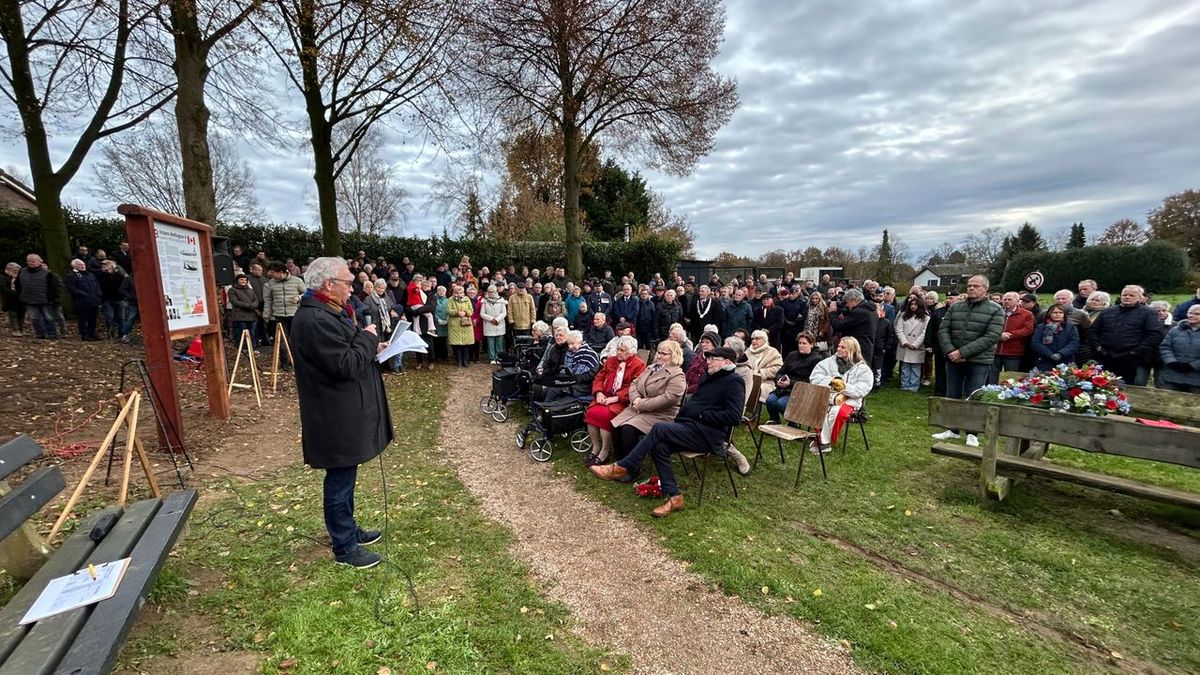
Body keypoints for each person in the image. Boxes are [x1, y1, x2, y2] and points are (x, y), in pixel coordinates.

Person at [290, 257, 391, 569]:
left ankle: (348, 530)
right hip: (332, 414)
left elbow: (346, 352)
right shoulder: (315, 320)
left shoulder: (328, 311)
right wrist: (369, 336)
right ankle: (344, 547)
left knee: (346, 474)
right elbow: (344, 364)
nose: (353, 288)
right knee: (340, 479)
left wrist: (370, 345)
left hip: (342, 409)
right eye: (348, 282)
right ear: (327, 284)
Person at [590, 346, 745, 517]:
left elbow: (734, 417)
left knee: (659, 429)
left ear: (727, 362)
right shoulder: (707, 377)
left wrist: (700, 414)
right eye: (707, 358)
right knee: (659, 446)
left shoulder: (734, 381)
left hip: (707, 435)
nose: (707, 362)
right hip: (689, 427)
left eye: (713, 359)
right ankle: (675, 497)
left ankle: (622, 466)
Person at [933, 275, 1004, 448]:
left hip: (978, 360)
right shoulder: (956, 307)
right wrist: (951, 351)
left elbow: (991, 336)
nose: (971, 288)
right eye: (969, 285)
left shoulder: (996, 310)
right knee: (953, 394)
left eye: (976, 286)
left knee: (974, 396)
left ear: (985, 289)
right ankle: (953, 428)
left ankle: (972, 433)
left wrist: (963, 352)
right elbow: (943, 329)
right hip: (953, 358)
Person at [582, 335, 646, 465]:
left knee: (604, 416)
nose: (618, 353)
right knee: (591, 413)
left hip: (621, 400)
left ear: (632, 352)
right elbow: (599, 378)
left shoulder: (639, 365)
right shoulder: (611, 360)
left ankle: (605, 451)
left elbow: (635, 387)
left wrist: (616, 398)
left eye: (622, 350)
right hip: (604, 396)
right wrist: (599, 392)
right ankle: (596, 447)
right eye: (618, 349)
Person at [1088, 285, 1164, 385]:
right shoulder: (1107, 312)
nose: (1127, 297)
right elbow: (1093, 331)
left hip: (1131, 359)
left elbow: (1154, 335)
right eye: (1124, 295)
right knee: (1103, 386)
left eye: (1131, 295)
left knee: (1128, 388)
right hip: (1106, 356)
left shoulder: (1148, 313)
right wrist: (1098, 347)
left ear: (1139, 297)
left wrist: (1136, 351)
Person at [809, 337, 874, 452]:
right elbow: (814, 377)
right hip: (828, 397)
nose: (838, 349)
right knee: (817, 407)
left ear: (852, 350)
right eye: (838, 346)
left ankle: (823, 441)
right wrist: (831, 381)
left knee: (837, 412)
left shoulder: (863, 369)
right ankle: (824, 442)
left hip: (850, 400)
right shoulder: (828, 362)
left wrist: (844, 387)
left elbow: (862, 390)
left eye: (843, 347)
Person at [765, 332, 823, 422]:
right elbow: (780, 371)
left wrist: (790, 383)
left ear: (811, 344)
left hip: (800, 391)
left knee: (781, 403)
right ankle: (774, 420)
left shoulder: (816, 359)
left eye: (804, 343)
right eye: (799, 343)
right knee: (770, 400)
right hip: (782, 388)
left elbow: (810, 381)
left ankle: (793, 423)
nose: (801, 346)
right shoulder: (792, 355)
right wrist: (779, 379)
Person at [543, 331, 600, 402]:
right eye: (568, 344)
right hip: (571, 381)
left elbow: (590, 375)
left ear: (580, 342)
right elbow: (565, 369)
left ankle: (545, 408)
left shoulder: (590, 355)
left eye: (572, 344)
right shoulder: (569, 353)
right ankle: (546, 408)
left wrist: (574, 378)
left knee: (554, 389)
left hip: (583, 386)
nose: (570, 347)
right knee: (550, 386)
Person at [990, 291, 1035, 383]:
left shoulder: (1026, 314)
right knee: (992, 375)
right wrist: (999, 335)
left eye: (1009, 299)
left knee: (1010, 378)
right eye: (1004, 299)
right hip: (995, 350)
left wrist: (1010, 335)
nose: (1006, 301)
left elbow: (1028, 329)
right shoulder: (996, 312)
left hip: (1013, 351)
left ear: (1017, 301)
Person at [16, 253, 61, 339]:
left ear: (40, 261)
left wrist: (53, 299)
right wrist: (21, 295)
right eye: (28, 261)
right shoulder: (22, 272)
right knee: (35, 318)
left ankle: (52, 334)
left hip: (46, 300)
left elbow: (55, 287)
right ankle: (40, 334)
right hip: (29, 299)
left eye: (33, 261)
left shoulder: (48, 274)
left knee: (49, 318)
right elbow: (18, 285)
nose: (30, 263)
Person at [829, 288, 877, 365]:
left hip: (857, 349)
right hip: (866, 347)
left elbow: (839, 326)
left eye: (847, 302)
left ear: (853, 300)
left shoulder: (860, 312)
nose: (847, 305)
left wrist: (832, 312)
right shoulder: (870, 310)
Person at [1158, 305, 1200, 393]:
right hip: (1172, 375)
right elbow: (1165, 347)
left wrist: (1193, 365)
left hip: (1196, 379)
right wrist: (1172, 362)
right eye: (1190, 313)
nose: (1191, 316)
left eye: (1196, 314)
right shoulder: (1175, 330)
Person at [895, 295, 930, 392]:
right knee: (905, 367)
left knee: (915, 367)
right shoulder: (903, 315)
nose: (913, 306)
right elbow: (899, 329)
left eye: (915, 304)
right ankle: (904, 385)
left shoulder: (926, 318)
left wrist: (915, 344)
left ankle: (913, 386)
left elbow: (925, 332)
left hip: (917, 346)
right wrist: (904, 342)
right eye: (911, 304)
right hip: (905, 345)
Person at [1030, 304, 1079, 371]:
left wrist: (1061, 353)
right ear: (1049, 314)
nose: (1058, 314)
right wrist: (1050, 354)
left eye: (1060, 313)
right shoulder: (1041, 327)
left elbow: (1074, 343)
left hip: (1065, 361)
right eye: (1055, 312)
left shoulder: (1071, 327)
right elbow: (1036, 343)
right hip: (1045, 360)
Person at [64, 259, 102, 341]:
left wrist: (98, 294)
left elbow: (96, 285)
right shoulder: (72, 276)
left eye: (83, 264)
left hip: (93, 300)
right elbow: (71, 288)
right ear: (74, 266)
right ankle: (84, 334)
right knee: (83, 319)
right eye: (80, 265)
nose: (83, 266)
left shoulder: (90, 275)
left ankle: (92, 333)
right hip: (81, 301)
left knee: (93, 318)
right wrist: (83, 294)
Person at [745, 329, 783, 403]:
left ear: (764, 340)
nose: (753, 341)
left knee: (756, 388)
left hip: (765, 382)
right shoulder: (747, 352)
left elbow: (778, 368)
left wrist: (761, 373)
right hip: (747, 379)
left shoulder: (772, 352)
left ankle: (753, 413)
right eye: (753, 339)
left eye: (757, 339)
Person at [447, 284, 475, 367]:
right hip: (455, 324)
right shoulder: (450, 299)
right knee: (457, 344)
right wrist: (457, 312)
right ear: (454, 292)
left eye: (461, 292)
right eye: (457, 292)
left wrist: (466, 313)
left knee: (466, 344)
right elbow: (448, 310)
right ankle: (458, 361)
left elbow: (471, 310)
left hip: (465, 323)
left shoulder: (467, 299)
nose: (459, 294)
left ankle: (465, 361)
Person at [480, 284, 508, 364]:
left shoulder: (501, 300)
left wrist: (497, 319)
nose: (490, 294)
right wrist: (491, 319)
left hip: (499, 324)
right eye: (489, 292)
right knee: (491, 343)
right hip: (489, 324)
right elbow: (482, 313)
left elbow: (504, 312)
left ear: (495, 292)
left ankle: (498, 357)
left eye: (492, 292)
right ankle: (492, 358)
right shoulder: (484, 301)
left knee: (499, 343)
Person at [228, 274, 260, 342]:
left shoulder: (250, 290)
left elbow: (256, 300)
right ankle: (242, 350)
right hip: (240, 316)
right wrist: (248, 306)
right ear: (237, 281)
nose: (243, 281)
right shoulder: (232, 290)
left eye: (245, 280)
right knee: (241, 334)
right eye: (241, 279)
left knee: (252, 334)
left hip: (252, 315)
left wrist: (253, 305)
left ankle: (252, 349)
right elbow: (234, 301)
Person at [2, 262, 25, 336]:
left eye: (18, 271)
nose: (17, 272)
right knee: (13, 314)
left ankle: (21, 329)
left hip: (21, 298)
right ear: (8, 270)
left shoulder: (20, 277)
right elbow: (3, 288)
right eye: (14, 271)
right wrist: (15, 294)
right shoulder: (3, 277)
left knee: (22, 314)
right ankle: (16, 330)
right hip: (10, 299)